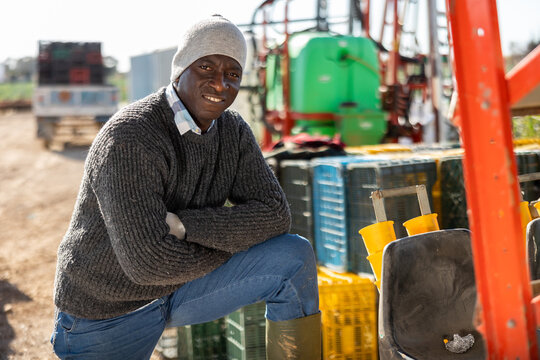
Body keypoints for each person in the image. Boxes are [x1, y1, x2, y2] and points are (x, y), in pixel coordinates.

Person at [50, 14, 320, 360]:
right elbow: (147, 264)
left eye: (232, 73)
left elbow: (275, 215)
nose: (220, 84)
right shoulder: (131, 136)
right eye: (206, 67)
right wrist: (232, 244)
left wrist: (187, 226)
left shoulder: (232, 130)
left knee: (292, 256)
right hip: (108, 311)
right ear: (180, 69)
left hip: (178, 288)